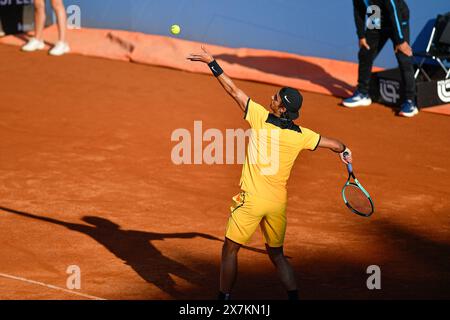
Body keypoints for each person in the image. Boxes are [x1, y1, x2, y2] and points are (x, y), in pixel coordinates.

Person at [187, 46, 353, 300]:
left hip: (252, 201)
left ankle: (223, 300)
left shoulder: (259, 117)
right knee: (276, 254)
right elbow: (333, 144)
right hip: (277, 204)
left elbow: (232, 90)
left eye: (276, 98)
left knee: (229, 250)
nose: (271, 99)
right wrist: (344, 150)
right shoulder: (303, 136)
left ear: (282, 109)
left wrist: (212, 63)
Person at [343, 0, 418, 117]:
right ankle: (363, 93)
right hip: (375, 14)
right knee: (365, 52)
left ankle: (410, 101)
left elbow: (394, 11)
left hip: (397, 18)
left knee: (403, 58)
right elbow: (358, 10)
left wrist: (400, 41)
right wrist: (361, 35)